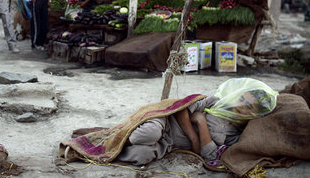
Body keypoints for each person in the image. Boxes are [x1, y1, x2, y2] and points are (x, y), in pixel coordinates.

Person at [116, 85, 276, 166]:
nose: (241, 106)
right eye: (242, 99)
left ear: (255, 115)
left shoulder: (235, 135)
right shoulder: (216, 103)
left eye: (248, 106)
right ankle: (116, 143)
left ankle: (113, 153)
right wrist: (193, 138)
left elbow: (210, 156)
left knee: (142, 155)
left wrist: (201, 122)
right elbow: (181, 108)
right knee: (150, 133)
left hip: (169, 144)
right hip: (165, 123)